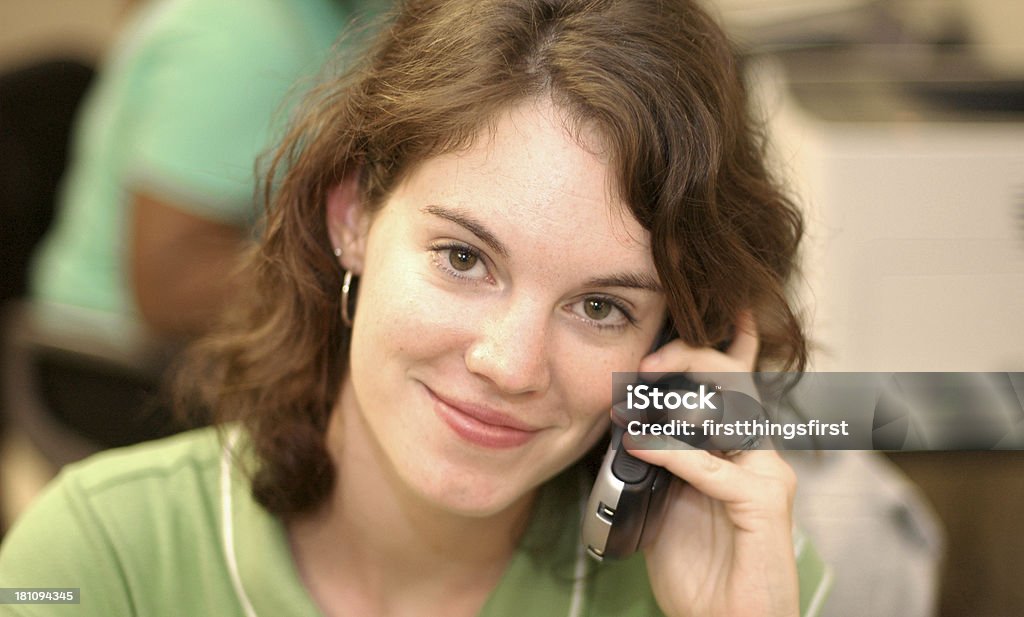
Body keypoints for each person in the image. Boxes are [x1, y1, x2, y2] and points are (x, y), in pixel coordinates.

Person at [0, 0, 831, 615]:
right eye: (463, 258)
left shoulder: (744, 575)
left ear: (676, 340)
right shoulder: (95, 557)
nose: (509, 364)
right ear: (352, 218)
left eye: (603, 306)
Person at [29, 0, 384, 337]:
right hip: (117, 368)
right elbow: (171, 281)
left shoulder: (359, 16)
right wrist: (359, 274)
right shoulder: (239, 35)